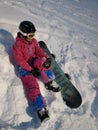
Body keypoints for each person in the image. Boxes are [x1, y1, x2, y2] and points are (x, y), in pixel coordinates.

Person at [13, 21, 60, 123]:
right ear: (23, 34)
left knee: (42, 62)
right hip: (24, 67)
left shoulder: (33, 41)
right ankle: (40, 108)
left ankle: (49, 82)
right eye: (30, 35)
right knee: (32, 84)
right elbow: (20, 61)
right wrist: (31, 70)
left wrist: (46, 58)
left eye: (34, 34)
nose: (33, 36)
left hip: (32, 61)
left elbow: (39, 51)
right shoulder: (17, 46)